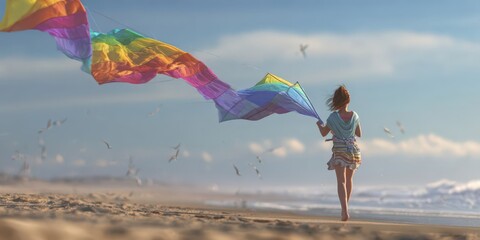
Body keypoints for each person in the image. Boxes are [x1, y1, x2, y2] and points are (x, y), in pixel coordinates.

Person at [316, 85, 362, 221]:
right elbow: (359, 133)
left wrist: (320, 125)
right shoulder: (355, 115)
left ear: (336, 101)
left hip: (340, 150)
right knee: (349, 180)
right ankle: (345, 209)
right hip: (353, 150)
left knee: (341, 181)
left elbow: (324, 133)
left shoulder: (333, 117)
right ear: (348, 100)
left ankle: (344, 211)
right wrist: (347, 130)